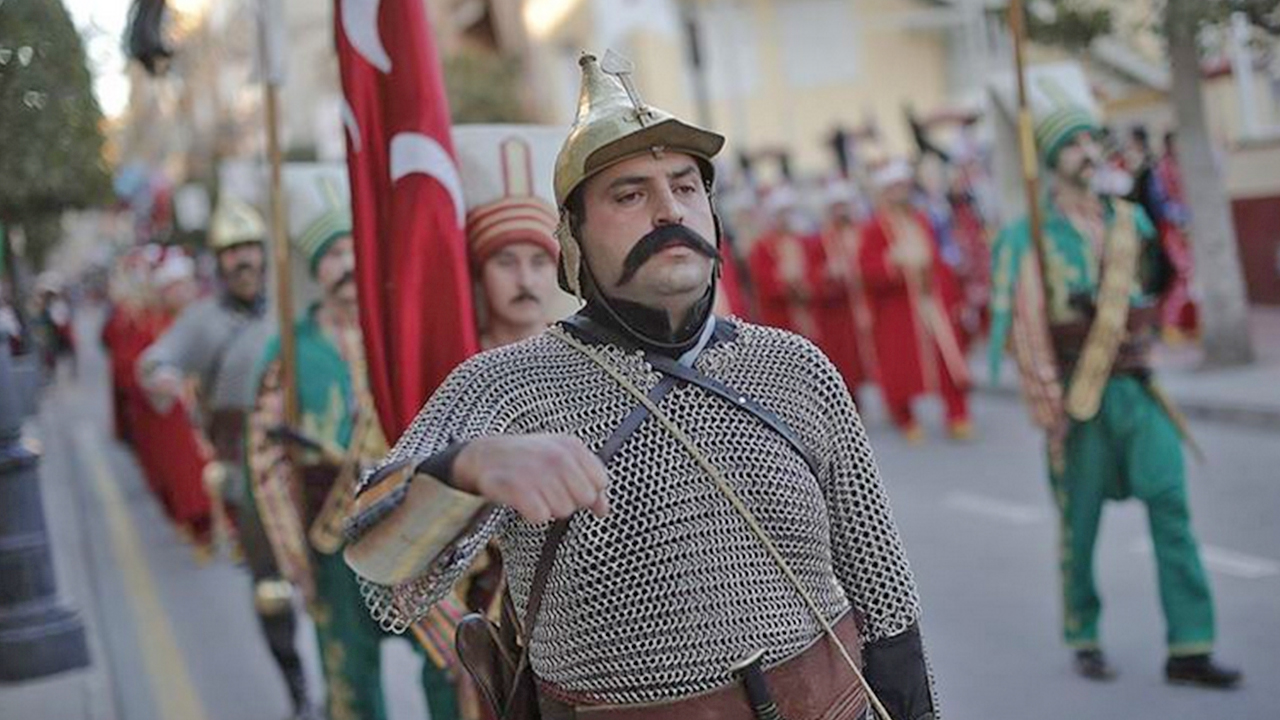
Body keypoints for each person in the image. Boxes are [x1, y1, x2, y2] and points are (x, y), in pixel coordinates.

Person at [344, 52, 938, 720]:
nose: (668, 211)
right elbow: (377, 564)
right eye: (629, 195)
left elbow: (886, 605)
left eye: (686, 188)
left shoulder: (795, 369)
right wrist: (468, 467)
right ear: (571, 238)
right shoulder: (503, 386)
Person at [988, 100, 1241, 688]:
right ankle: (1085, 635)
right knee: (1079, 526)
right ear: (1053, 159)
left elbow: (1157, 280)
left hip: (1136, 386)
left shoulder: (1130, 221)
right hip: (1079, 397)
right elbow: (1023, 330)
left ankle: (1190, 646)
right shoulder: (1030, 232)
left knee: (1172, 506)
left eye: (1090, 140)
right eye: (1073, 143)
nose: (1087, 151)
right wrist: (1047, 400)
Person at [245, 167, 460, 720]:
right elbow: (266, 457)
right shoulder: (290, 351)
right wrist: (293, 555)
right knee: (350, 684)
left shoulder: (399, 332)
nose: (345, 267)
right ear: (316, 270)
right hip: (333, 543)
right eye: (331, 256)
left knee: (448, 663)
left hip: (413, 532)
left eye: (351, 251)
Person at [137, 200, 310, 718]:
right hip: (248, 474)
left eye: (251, 248)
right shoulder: (202, 320)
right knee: (272, 589)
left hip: (308, 460)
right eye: (233, 251)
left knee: (329, 576)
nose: (244, 260)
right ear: (219, 261)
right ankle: (298, 690)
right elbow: (154, 362)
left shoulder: (291, 305)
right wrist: (164, 378)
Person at [858, 160, 972, 442]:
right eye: (894, 188)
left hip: (930, 303)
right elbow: (868, 269)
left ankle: (957, 413)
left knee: (948, 357)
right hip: (898, 309)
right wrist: (893, 264)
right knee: (901, 364)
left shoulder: (921, 219)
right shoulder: (874, 229)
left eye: (903, 186)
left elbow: (936, 258)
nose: (900, 192)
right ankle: (905, 417)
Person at [812, 180, 875, 398]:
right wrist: (828, 275)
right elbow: (814, 277)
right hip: (840, 311)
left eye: (844, 206)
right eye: (836, 207)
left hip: (869, 303)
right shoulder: (821, 239)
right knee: (846, 361)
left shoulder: (865, 232)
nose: (841, 212)